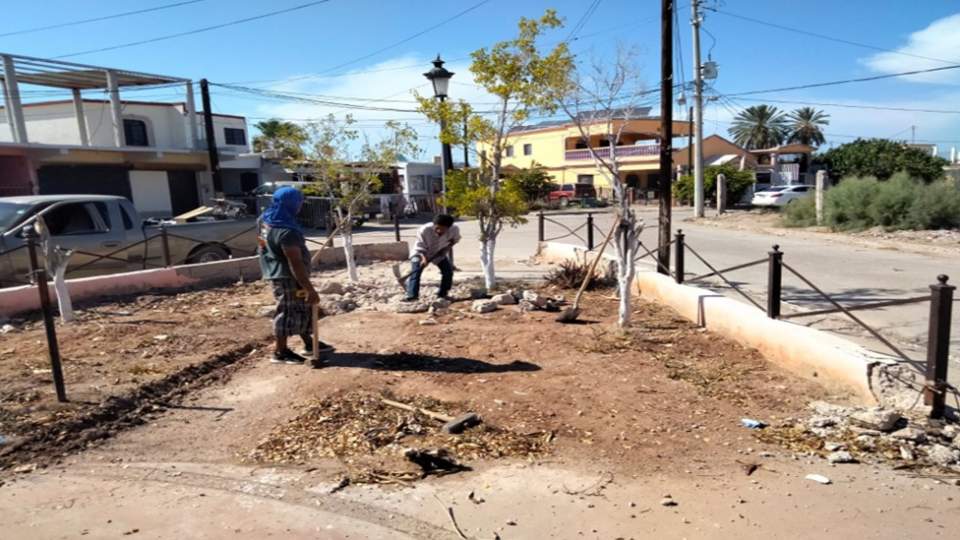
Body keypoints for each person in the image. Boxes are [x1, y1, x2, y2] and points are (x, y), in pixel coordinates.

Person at [258, 187, 334, 364]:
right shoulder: (287, 231)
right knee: (287, 311)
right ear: (291, 204)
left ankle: (308, 342)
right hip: (288, 277)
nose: (300, 206)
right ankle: (280, 352)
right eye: (298, 202)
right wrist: (310, 289)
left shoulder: (265, 220)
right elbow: (295, 263)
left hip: (277, 270)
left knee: (301, 308)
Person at [404, 214, 460, 301]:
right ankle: (412, 295)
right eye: (437, 228)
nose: (439, 230)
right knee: (416, 271)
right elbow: (420, 246)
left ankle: (442, 294)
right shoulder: (424, 229)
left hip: (438, 253)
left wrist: (446, 249)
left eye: (442, 229)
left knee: (448, 271)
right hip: (419, 253)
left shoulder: (454, 229)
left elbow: (454, 240)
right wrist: (424, 258)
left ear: (448, 227)